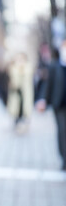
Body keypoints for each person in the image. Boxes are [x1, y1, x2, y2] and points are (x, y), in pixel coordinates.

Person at [36, 42, 66, 171]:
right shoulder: (55, 66)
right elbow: (48, 85)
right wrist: (43, 100)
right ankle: (64, 158)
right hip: (59, 105)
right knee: (62, 131)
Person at [7, 52, 34, 132]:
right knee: (16, 107)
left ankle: (25, 121)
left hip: (25, 91)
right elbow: (12, 77)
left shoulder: (27, 66)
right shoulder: (13, 67)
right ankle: (16, 121)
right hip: (16, 90)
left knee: (25, 107)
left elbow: (28, 75)